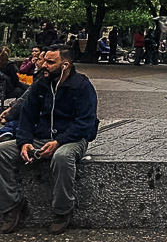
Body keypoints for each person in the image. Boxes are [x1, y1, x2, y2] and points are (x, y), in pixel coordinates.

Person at [0, 45, 98, 234]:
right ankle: (11, 205)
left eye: (50, 62)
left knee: (62, 157)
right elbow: (27, 116)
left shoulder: (82, 86)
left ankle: (62, 210)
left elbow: (85, 123)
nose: (44, 65)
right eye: (44, 61)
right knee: (2, 152)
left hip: (72, 139)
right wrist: (24, 141)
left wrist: (59, 141)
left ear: (65, 65)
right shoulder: (41, 84)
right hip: (41, 137)